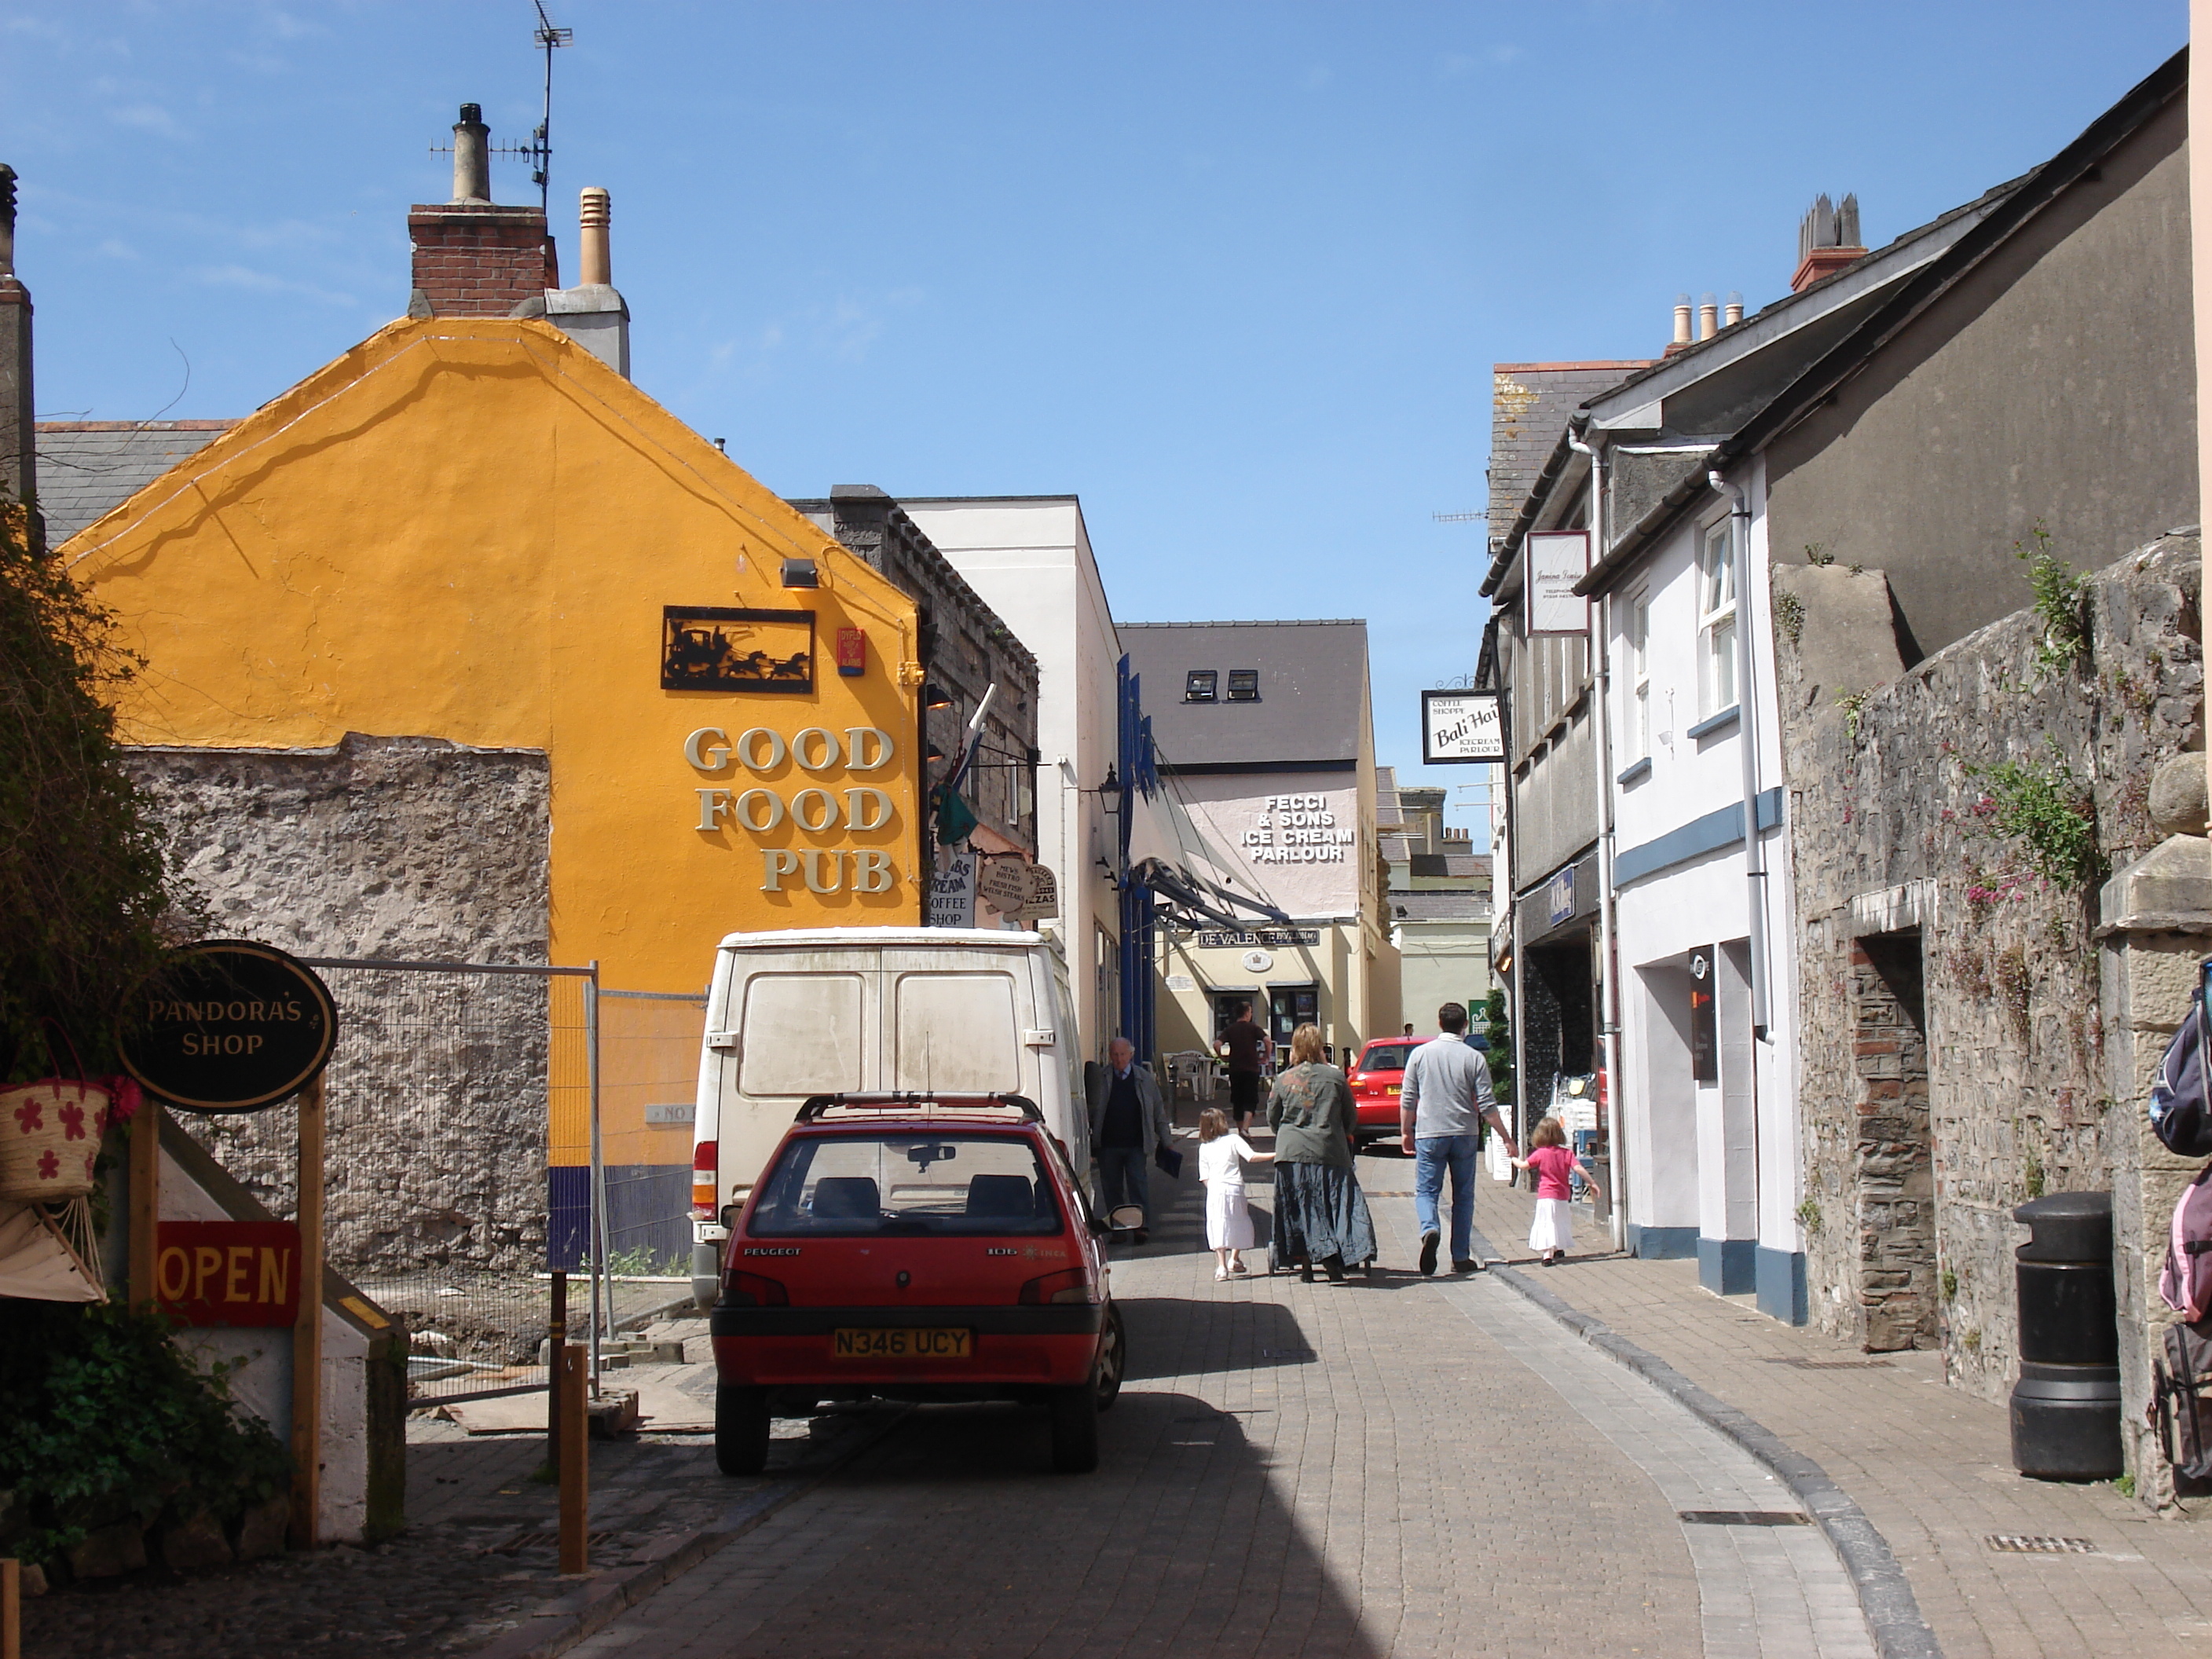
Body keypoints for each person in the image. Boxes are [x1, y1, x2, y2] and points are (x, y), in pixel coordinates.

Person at [1401, 1001, 1518, 1276]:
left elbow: (1408, 1098)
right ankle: (1460, 1256)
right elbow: (1487, 1104)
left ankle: (1430, 1227)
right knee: (1463, 1196)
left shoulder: (1420, 1055)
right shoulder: (1474, 1057)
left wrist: (1406, 1131)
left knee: (1427, 1190)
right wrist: (1505, 1137)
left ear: (1440, 1023)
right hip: (1465, 1133)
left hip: (1430, 1132)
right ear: (1465, 1025)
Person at [1268, 1024, 1377, 1283]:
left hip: (1292, 1151)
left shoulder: (1283, 1080)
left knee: (1300, 1206)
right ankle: (1334, 1254)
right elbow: (1350, 1118)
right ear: (1320, 1047)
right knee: (1335, 1205)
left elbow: (1273, 1118)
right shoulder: (1336, 1078)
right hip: (1329, 1149)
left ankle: (1307, 1263)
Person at [1087, 1036, 1174, 1242]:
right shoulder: (1102, 1078)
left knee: (1138, 1185)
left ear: (1131, 1054)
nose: (1119, 1059)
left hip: (1136, 1143)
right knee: (1112, 1189)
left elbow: (1158, 1112)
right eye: (1115, 1055)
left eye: (1123, 1055)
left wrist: (1166, 1140)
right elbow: (1091, 1111)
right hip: (1108, 1145)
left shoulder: (1144, 1079)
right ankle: (1118, 1228)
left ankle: (1140, 1226)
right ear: (1110, 1056)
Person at [1514, 1116, 1602, 1265]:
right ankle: (1558, 1248)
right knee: (1560, 1222)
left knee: (1547, 1222)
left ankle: (1547, 1255)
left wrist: (1513, 1158)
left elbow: (1524, 1166)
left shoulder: (1541, 1153)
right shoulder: (1566, 1153)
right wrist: (1592, 1182)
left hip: (1546, 1195)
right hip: (1562, 1196)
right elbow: (1578, 1168)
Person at [1197, 1107, 1272, 1280]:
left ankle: (1221, 1266)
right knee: (1239, 1221)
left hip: (1216, 1190)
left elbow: (1204, 1176)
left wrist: (1214, 1188)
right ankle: (1234, 1258)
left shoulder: (1204, 1147)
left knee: (1218, 1225)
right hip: (1234, 1187)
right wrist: (1275, 1154)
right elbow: (1251, 1157)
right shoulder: (1233, 1140)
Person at [1215, 1001, 1271, 1133]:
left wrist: (1223, 1056)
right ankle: (1246, 1129)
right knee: (1250, 1099)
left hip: (1235, 1069)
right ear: (1247, 1013)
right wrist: (1267, 1057)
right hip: (1251, 1068)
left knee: (1237, 1100)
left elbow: (1217, 1044)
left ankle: (1240, 1130)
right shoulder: (1253, 1028)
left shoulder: (1230, 1029)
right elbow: (1267, 1041)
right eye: (1250, 1012)